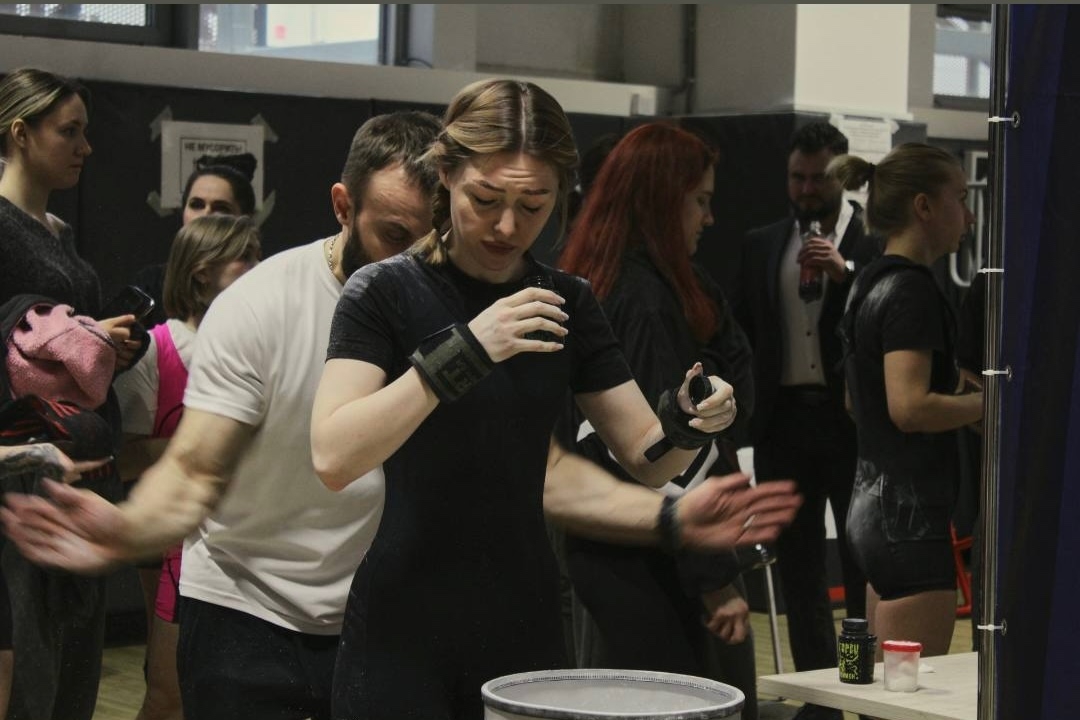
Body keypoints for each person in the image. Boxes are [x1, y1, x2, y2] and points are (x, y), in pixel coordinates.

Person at [0, 108, 800, 720]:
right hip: (253, 610)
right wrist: (125, 530)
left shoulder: (474, 303)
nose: (417, 254)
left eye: (435, 232)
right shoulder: (264, 305)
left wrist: (672, 507)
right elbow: (198, 469)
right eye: (393, 233)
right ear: (342, 205)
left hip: (392, 617)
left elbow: (549, 473)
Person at [308, 79, 790, 720]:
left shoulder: (567, 301)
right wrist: (467, 350)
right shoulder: (384, 291)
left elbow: (649, 459)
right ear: (446, 174)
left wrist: (690, 420)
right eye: (486, 200)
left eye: (533, 205)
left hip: (522, 615)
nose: (508, 226)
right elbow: (334, 456)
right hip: (403, 624)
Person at [557, 122, 760, 717]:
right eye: (700, 201)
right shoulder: (642, 299)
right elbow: (666, 456)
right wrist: (715, 577)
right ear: (662, 201)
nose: (709, 218)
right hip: (654, 563)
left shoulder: (608, 282)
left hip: (625, 550)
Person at [0, 65, 141, 720]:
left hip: (79, 459)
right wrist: (84, 337)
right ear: (20, 133)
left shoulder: (57, 230)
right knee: (35, 665)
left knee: (75, 662)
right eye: (69, 131)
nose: (85, 147)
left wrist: (108, 345)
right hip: (23, 467)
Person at [731, 121, 879, 719]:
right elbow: (740, 331)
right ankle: (822, 706)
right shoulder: (762, 243)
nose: (808, 189)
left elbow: (893, 315)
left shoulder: (874, 242)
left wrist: (849, 274)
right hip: (783, 423)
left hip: (851, 423)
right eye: (798, 177)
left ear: (842, 177)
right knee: (799, 572)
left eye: (819, 178)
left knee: (860, 564)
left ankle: (862, 693)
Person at [832, 143, 983, 660]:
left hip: (872, 512)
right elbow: (909, 407)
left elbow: (857, 400)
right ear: (924, 206)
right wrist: (991, 405)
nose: (968, 216)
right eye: (960, 199)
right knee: (907, 695)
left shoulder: (866, 281)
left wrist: (961, 393)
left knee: (880, 689)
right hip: (907, 522)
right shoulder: (911, 290)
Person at [114, 214, 261, 720]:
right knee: (166, 696)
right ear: (202, 271)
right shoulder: (158, 350)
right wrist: (209, 441)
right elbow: (123, 460)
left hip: (251, 545)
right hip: (182, 550)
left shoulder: (262, 344)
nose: (259, 268)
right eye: (245, 258)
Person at [132, 153, 258, 328]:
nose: (205, 215)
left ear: (245, 219)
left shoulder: (260, 283)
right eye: (196, 205)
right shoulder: (150, 284)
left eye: (221, 208)